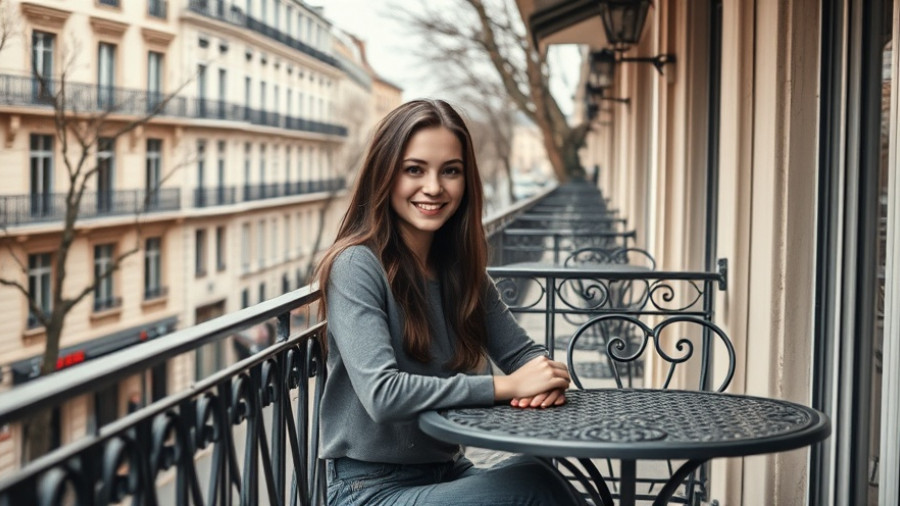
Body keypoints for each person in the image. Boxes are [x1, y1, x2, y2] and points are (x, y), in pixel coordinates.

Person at [316, 99, 580, 505]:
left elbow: (524, 352)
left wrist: (544, 378)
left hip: (448, 468)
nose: (434, 187)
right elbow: (383, 394)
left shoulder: (458, 267)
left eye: (450, 171)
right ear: (385, 174)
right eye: (414, 169)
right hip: (368, 488)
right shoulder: (356, 265)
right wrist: (507, 386)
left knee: (536, 471)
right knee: (532, 490)